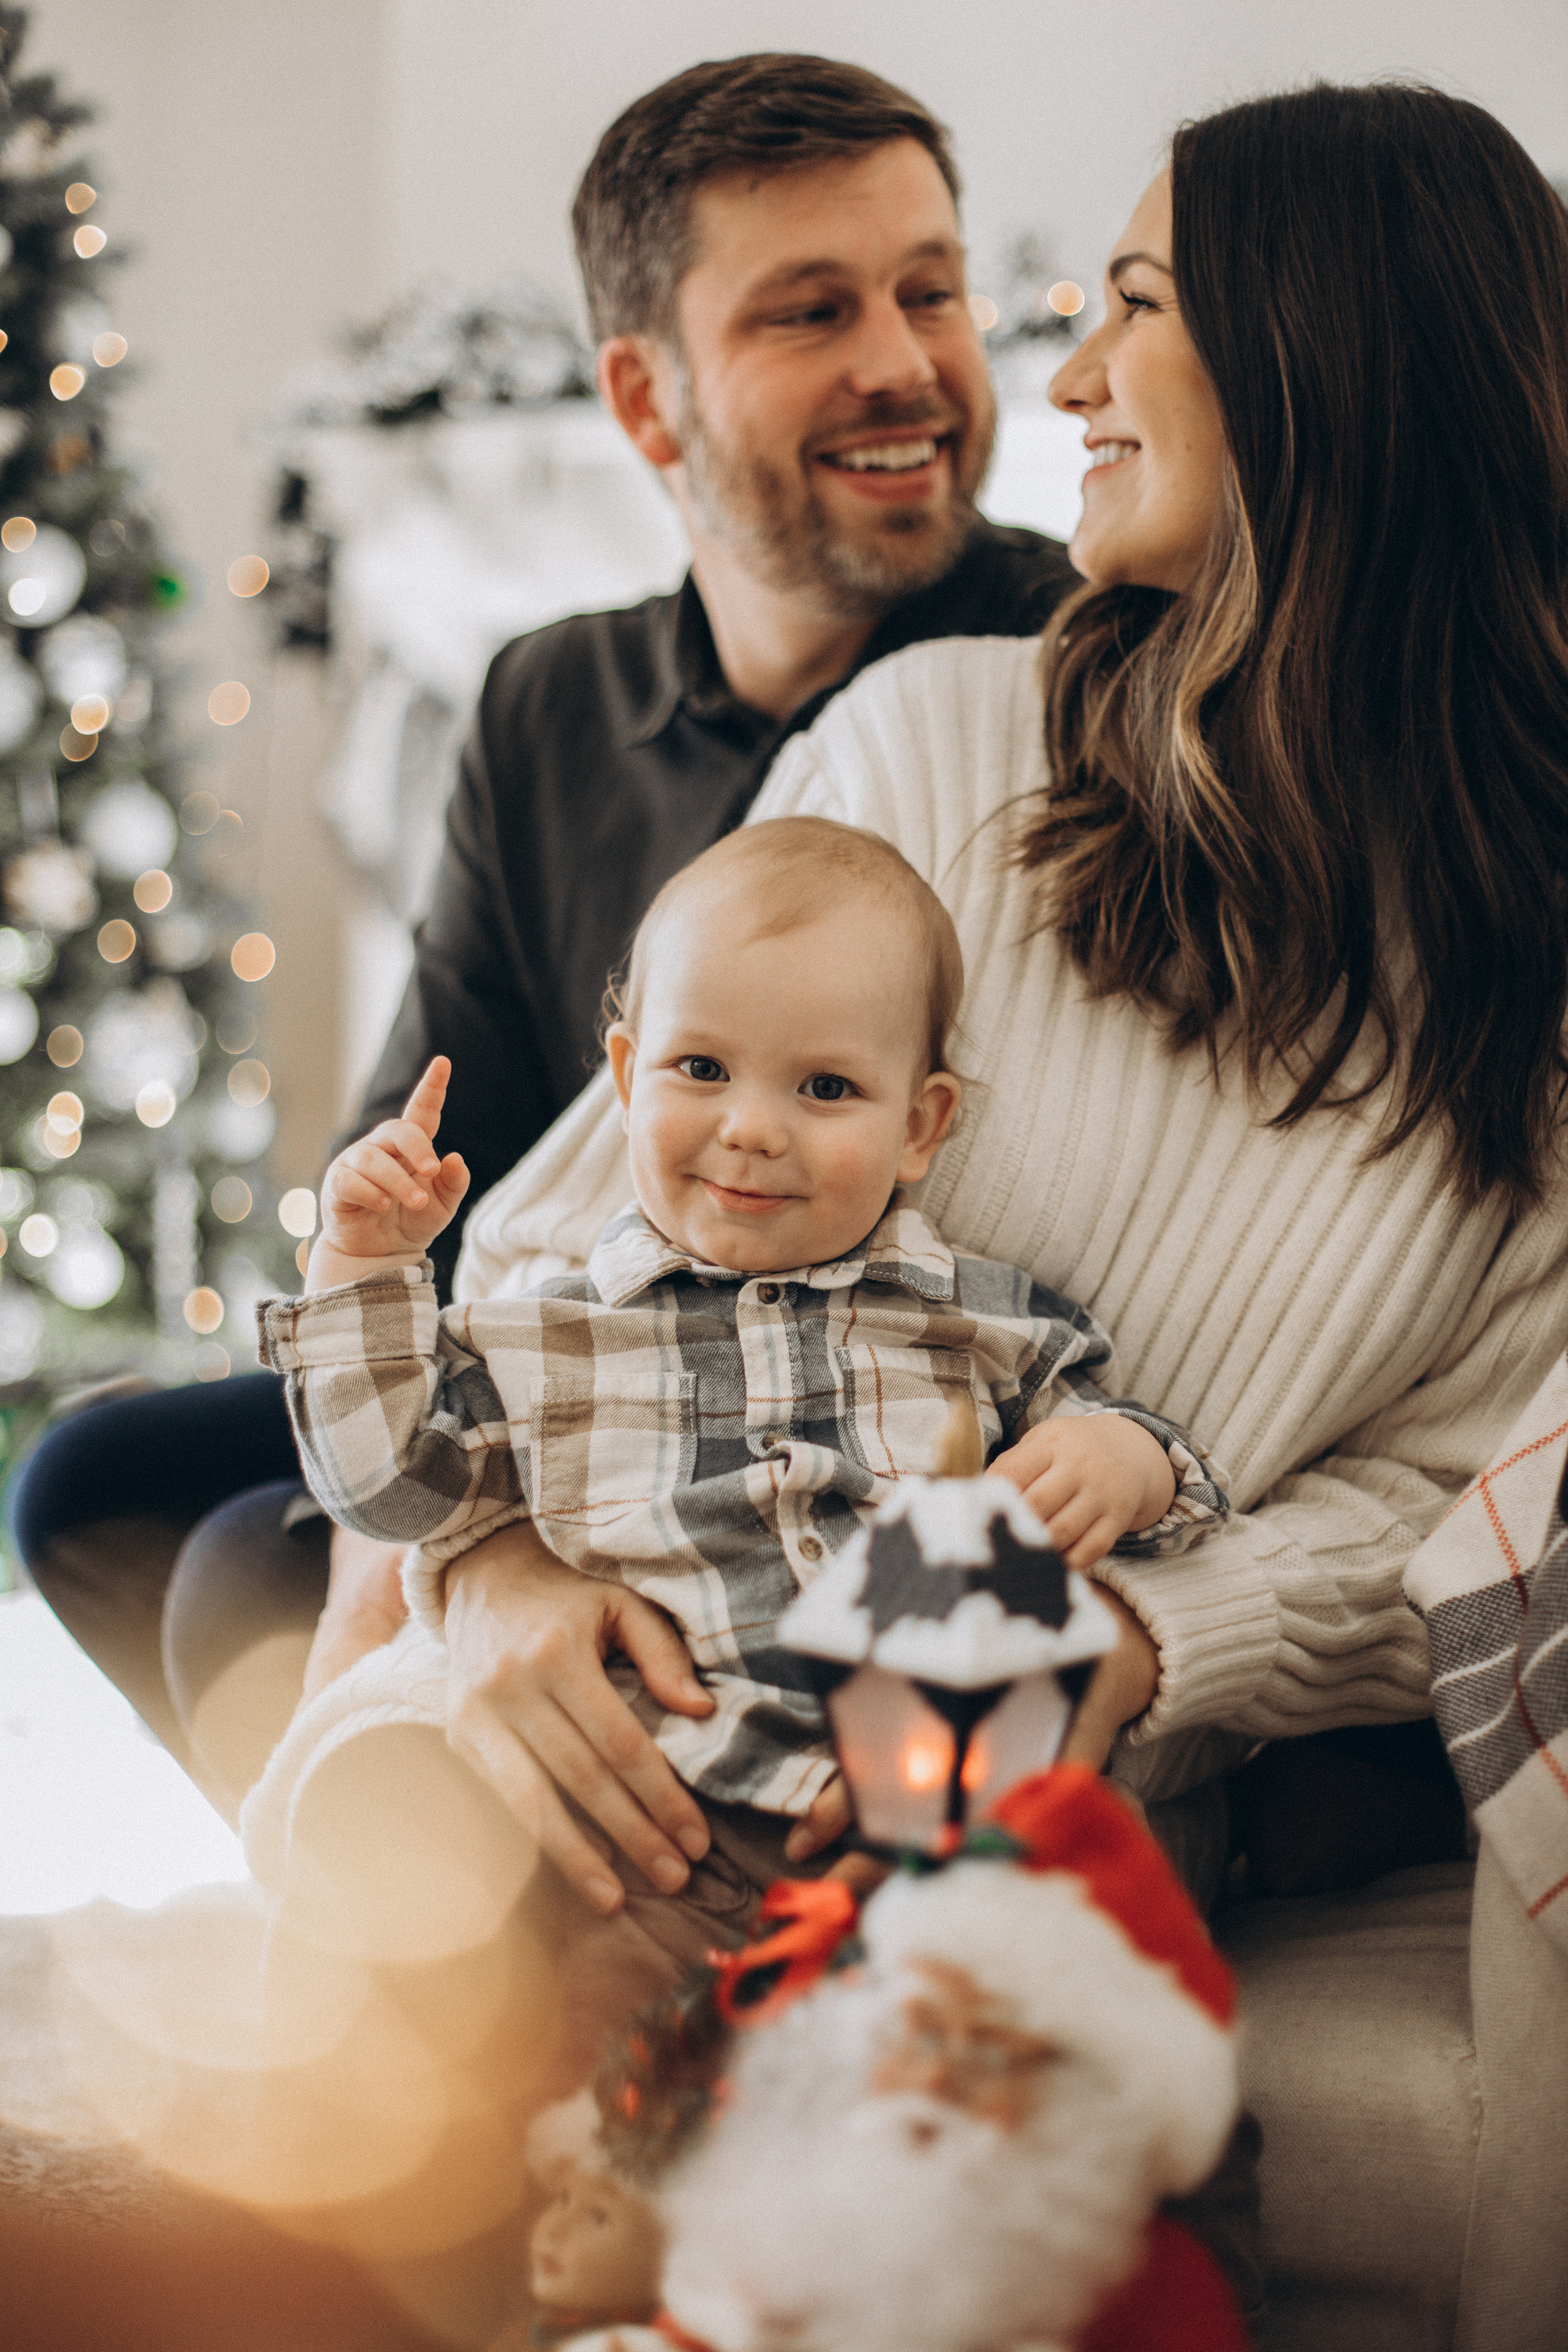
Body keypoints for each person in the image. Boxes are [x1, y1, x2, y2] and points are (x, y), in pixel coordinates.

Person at [427, 78, 1568, 1929]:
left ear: (1323, 365)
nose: (1061, 385)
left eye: (1136, 304)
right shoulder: (941, 736)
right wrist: (482, 1570)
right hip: (638, 1673)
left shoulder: (1536, 967)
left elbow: (1474, 1503)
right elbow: (558, 1226)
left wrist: (1137, 1631)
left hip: (1038, 1804)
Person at [10, 53, 1080, 1814]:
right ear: (647, 403)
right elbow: (428, 1149)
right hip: (558, 1377)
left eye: (931, 290)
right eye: (812, 312)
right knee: (86, 1487)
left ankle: (460, 2003)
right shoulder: (548, 700)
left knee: (233, 1581)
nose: (906, 363)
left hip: (833, 1418)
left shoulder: (1056, 674)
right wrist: (478, 1542)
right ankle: (407, 1960)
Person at [257, 819, 1225, 1833]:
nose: (753, 1129)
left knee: (1119, 1860)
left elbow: (1167, 1495)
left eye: (825, 1088)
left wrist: (1126, 1458)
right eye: (703, 1070)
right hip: (636, 1800)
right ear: (628, 1081)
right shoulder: (544, 1338)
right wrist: (361, 1263)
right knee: (387, 1834)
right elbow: (387, 1489)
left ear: (918, 1127)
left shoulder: (986, 1322)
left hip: (905, 1808)